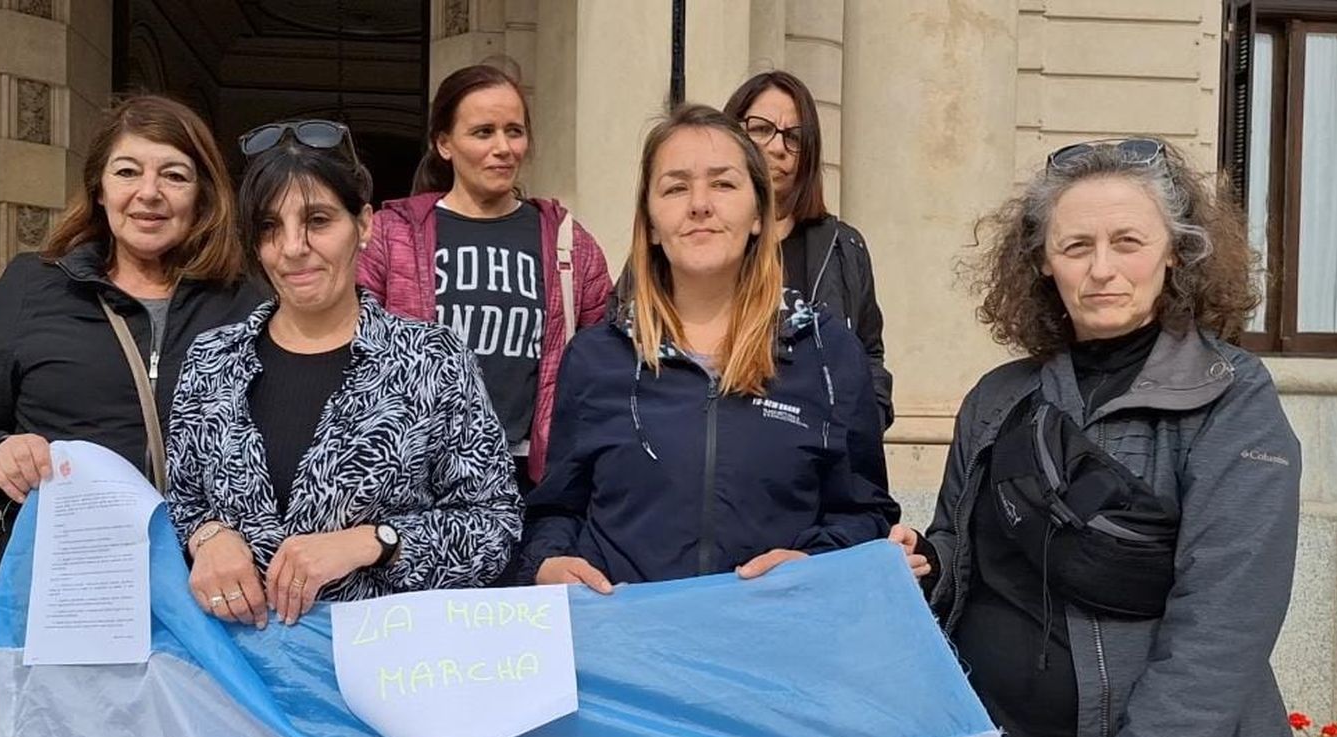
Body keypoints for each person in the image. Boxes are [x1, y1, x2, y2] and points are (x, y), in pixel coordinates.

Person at [890, 139, 1308, 737]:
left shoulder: (1232, 400)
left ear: (1176, 252)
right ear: (1043, 263)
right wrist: (925, 564)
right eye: (1076, 246)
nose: (1102, 269)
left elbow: (1224, 624)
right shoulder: (999, 399)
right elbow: (960, 560)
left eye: (1128, 242)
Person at [0, 94, 260, 714]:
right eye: (128, 171)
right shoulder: (33, 287)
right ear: (100, 188)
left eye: (174, 174)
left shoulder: (247, 301)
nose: (149, 193)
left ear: (204, 195)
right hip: (66, 596)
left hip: (204, 600)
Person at [520, 104, 901, 591]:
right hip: (627, 647)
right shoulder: (596, 358)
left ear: (759, 213)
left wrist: (816, 561)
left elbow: (865, 512)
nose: (699, 204)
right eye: (676, 187)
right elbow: (556, 508)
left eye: (723, 184)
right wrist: (548, 561)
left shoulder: (827, 354)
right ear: (652, 224)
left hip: (771, 644)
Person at [165, 121, 521, 626]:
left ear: (365, 224)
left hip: (379, 672)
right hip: (234, 673)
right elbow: (181, 501)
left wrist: (375, 542)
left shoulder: (430, 361)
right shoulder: (213, 360)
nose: (292, 247)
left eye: (317, 220)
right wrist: (209, 537)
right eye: (269, 227)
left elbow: (495, 526)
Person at [358, 63, 613, 495]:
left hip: (528, 475)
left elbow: (603, 361)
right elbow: (352, 349)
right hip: (415, 470)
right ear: (444, 143)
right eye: (483, 132)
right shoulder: (392, 233)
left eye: (514, 131)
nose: (503, 147)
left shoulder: (568, 242)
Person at [723, 71, 892, 427]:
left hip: (817, 456)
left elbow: (869, 356)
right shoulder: (696, 235)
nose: (777, 147)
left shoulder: (842, 247)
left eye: (794, 137)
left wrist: (866, 421)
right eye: (761, 128)